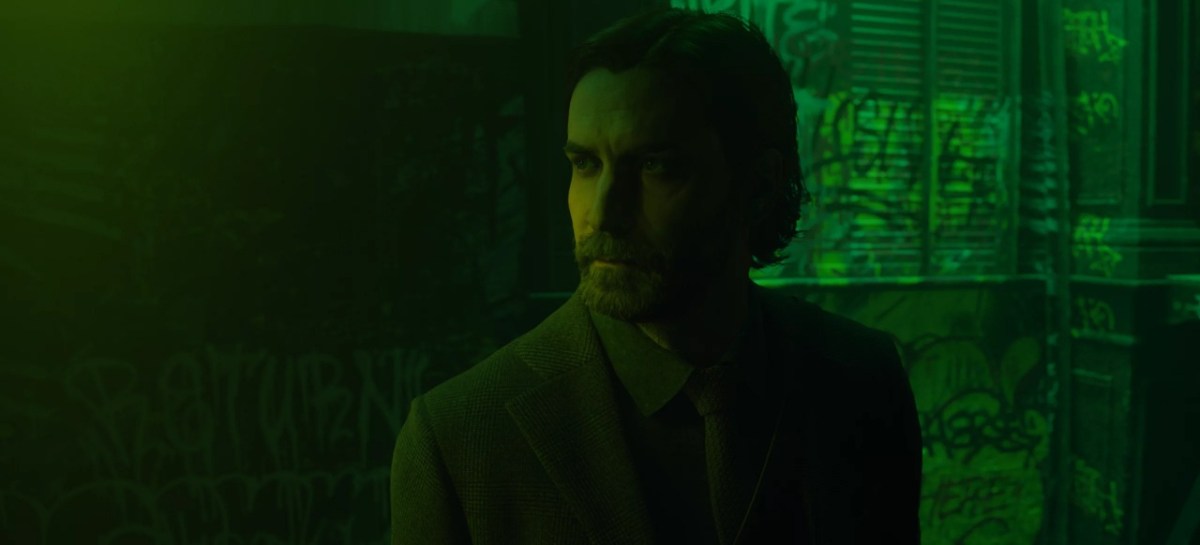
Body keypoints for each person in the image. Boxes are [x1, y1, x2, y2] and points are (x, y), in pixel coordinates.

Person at [390, 6, 921, 544]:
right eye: (585, 164)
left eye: (655, 166)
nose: (603, 213)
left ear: (759, 185)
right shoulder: (461, 436)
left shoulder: (860, 381)